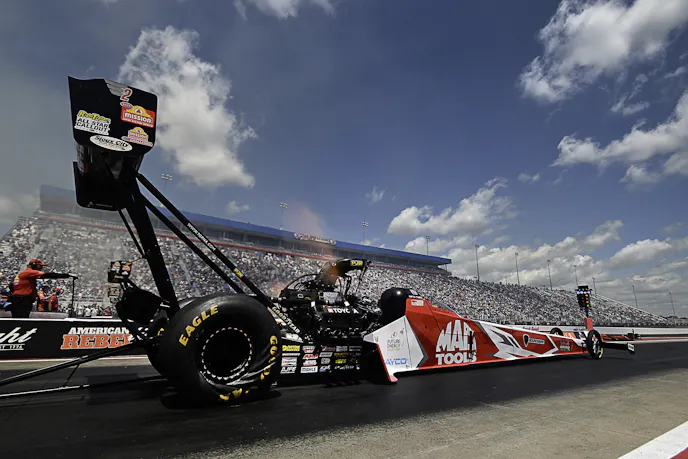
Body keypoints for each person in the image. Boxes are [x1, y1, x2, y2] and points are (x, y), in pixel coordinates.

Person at [8, 259, 77, 318]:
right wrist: (67, 275)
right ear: (34, 265)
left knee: (17, 319)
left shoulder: (22, 274)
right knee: (22, 319)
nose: (41, 268)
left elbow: (12, 286)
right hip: (23, 300)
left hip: (17, 299)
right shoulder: (29, 272)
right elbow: (48, 275)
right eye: (40, 266)